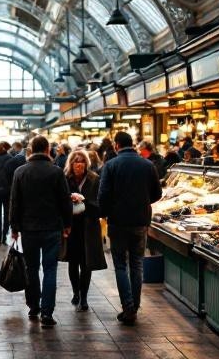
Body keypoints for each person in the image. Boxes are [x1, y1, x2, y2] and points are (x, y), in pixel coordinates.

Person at [98, 131, 162, 326]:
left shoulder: (111, 165)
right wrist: (142, 202)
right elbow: (157, 193)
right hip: (140, 222)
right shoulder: (147, 165)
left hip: (117, 222)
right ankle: (134, 305)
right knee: (137, 264)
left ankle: (128, 307)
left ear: (117, 145)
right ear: (132, 144)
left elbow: (103, 195)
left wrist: (105, 213)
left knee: (120, 265)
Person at [10, 136, 72, 327]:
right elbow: (65, 200)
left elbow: (15, 201)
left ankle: (33, 306)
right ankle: (47, 313)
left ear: (30, 150)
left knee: (31, 268)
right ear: (47, 150)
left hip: (29, 229)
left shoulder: (20, 171)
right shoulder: (56, 172)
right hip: (52, 227)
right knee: (50, 269)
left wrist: (14, 227)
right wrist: (67, 223)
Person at [61, 149, 105, 311]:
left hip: (89, 227)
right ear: (71, 163)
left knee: (86, 264)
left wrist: (84, 201)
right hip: (71, 227)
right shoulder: (65, 179)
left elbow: (100, 205)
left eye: (82, 161)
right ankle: (76, 292)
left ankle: (84, 296)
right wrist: (70, 200)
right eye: (75, 161)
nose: (78, 164)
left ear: (86, 164)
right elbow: (60, 201)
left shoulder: (94, 179)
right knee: (73, 262)